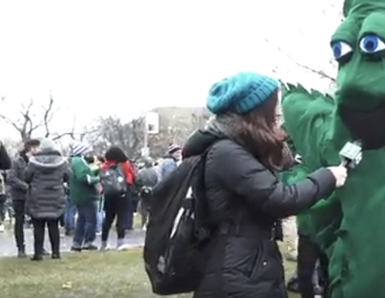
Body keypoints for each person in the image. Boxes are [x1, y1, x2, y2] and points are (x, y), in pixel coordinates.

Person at [188, 71, 347, 298]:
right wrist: (328, 177)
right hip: (237, 273)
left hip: (250, 263)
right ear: (256, 110)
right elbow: (280, 198)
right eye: (273, 106)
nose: (277, 113)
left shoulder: (238, 149)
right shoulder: (227, 153)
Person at [22, 138, 71, 261]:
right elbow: (68, 176)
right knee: (53, 225)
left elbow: (26, 177)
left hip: (37, 197)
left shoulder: (33, 162)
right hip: (55, 196)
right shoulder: (62, 162)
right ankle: (56, 252)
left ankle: (38, 254)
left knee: (38, 226)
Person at [8, 139, 40, 258]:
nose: (38, 150)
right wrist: (26, 187)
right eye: (36, 147)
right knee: (20, 222)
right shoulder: (17, 162)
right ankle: (21, 248)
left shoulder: (37, 161)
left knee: (37, 221)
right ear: (31, 148)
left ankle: (39, 247)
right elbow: (11, 178)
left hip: (34, 195)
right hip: (19, 196)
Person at [99, 146, 136, 251]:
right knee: (121, 218)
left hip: (109, 195)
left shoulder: (104, 166)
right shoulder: (125, 165)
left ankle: (103, 243)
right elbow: (131, 178)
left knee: (108, 218)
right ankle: (120, 242)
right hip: (122, 195)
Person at [69, 142, 101, 251]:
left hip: (80, 194)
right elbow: (83, 177)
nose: (89, 153)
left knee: (81, 220)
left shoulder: (76, 161)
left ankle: (77, 243)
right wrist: (97, 179)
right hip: (85, 194)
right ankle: (88, 242)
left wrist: (97, 170)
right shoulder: (78, 161)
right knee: (91, 220)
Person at [134, 162, 158, 230]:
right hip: (152, 189)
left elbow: (137, 181)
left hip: (143, 190)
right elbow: (157, 180)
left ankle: (144, 223)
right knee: (152, 207)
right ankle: (151, 222)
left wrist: (140, 188)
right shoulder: (155, 171)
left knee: (144, 207)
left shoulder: (141, 172)